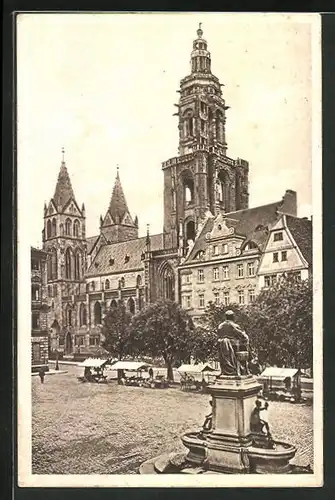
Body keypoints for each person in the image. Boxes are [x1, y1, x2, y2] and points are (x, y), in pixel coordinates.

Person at [217, 310, 250, 376]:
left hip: (222, 348)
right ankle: (244, 368)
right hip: (234, 348)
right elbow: (242, 336)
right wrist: (245, 336)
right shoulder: (234, 325)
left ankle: (227, 370)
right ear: (232, 317)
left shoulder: (220, 326)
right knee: (247, 346)